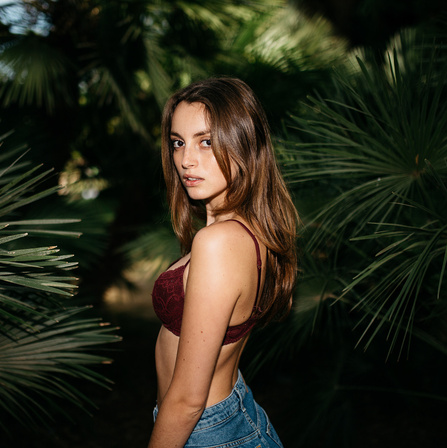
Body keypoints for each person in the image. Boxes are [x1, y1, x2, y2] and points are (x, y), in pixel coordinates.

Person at [149, 77, 298, 448]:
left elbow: (188, 399)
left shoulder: (219, 243)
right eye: (178, 142)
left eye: (207, 141)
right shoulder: (244, 231)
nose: (186, 159)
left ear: (242, 143)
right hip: (217, 419)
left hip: (205, 429)